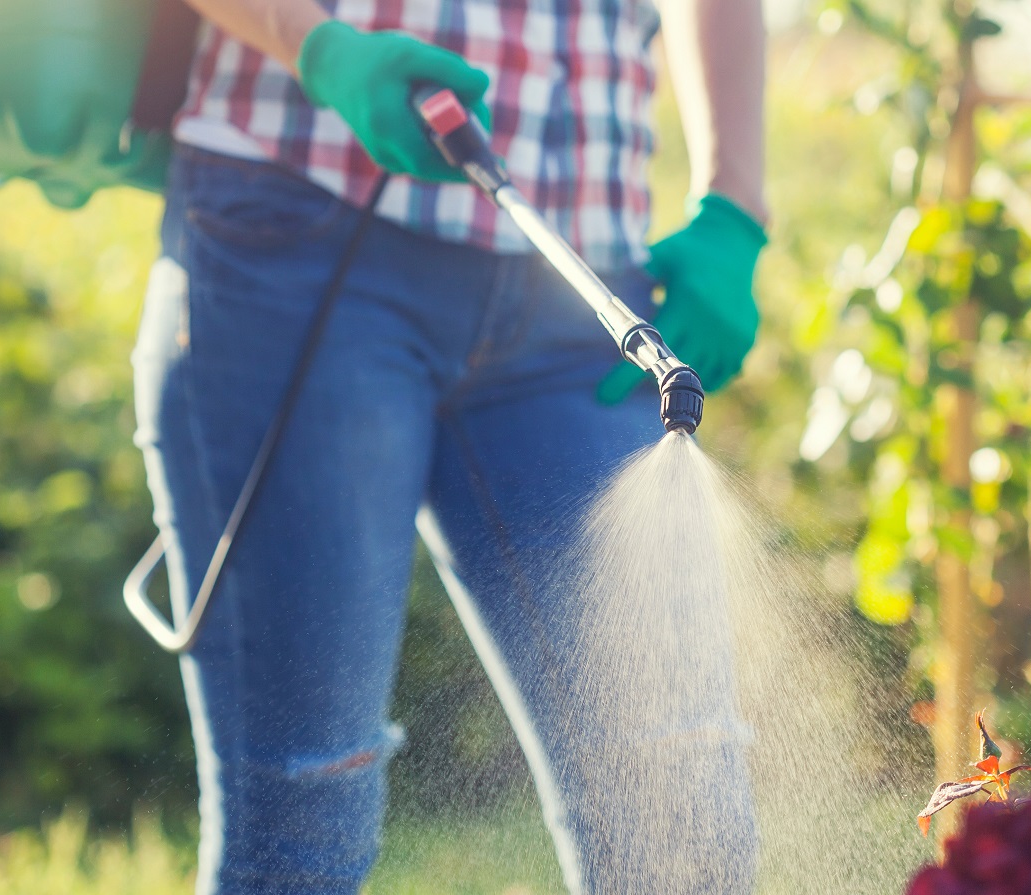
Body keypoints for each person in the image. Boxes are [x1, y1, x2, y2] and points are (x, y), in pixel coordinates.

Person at [128, 0, 769, 892]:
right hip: (294, 223)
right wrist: (319, 50)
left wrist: (736, 206)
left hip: (580, 273)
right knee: (304, 811)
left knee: (681, 815)